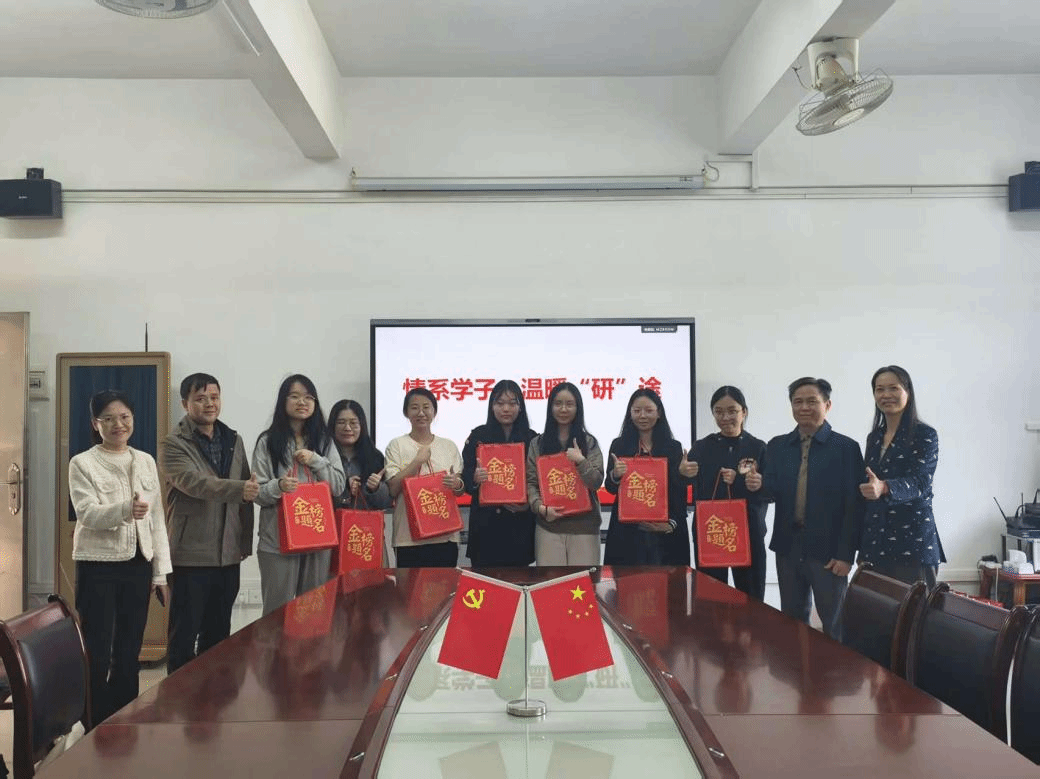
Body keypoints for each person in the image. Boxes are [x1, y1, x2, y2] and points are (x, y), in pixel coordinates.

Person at [68, 389, 172, 724]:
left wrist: (160, 573)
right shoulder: (82, 463)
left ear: (133, 419)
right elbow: (87, 514)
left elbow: (157, 521)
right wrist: (126, 510)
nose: (118, 424)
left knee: (129, 650)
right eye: (109, 419)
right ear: (95, 424)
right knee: (97, 651)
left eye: (124, 417)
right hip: (97, 564)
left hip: (137, 565)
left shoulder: (145, 460)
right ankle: (93, 723)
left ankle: (124, 721)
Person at [746, 377, 863, 640]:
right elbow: (771, 491)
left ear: (827, 405)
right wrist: (758, 485)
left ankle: (835, 668)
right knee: (791, 622)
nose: (804, 407)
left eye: (812, 401)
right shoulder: (778, 445)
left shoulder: (846, 448)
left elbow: (854, 506)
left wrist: (846, 555)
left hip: (829, 552)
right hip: (788, 547)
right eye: (798, 402)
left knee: (835, 624)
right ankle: (797, 668)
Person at [159, 373, 256, 674]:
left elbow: (246, 492)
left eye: (214, 397)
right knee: (183, 636)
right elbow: (195, 483)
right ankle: (178, 698)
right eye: (200, 399)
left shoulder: (233, 439)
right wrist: (240, 489)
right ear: (185, 403)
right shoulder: (172, 444)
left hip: (228, 554)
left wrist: (243, 543)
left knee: (219, 636)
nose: (209, 404)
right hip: (190, 554)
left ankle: (213, 696)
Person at [252, 374, 345, 615]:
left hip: (317, 538)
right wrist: (279, 486)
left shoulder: (324, 441)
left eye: (308, 397)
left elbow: (338, 486)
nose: (302, 402)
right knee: (276, 614)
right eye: (294, 396)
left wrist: (316, 460)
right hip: (277, 542)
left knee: (313, 613)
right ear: (283, 401)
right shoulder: (268, 441)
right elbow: (257, 493)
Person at [858, 365, 943, 589]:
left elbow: (920, 482)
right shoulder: (874, 437)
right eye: (879, 389)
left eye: (893, 388)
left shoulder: (925, 434)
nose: (886, 395)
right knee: (874, 609)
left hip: (913, 543)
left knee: (916, 610)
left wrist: (884, 487)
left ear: (908, 392)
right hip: (875, 543)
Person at [685, 386, 768, 598]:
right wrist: (683, 473)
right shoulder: (702, 447)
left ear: (744, 412)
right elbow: (685, 484)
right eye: (719, 412)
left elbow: (771, 492)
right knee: (711, 597)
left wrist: (748, 483)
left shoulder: (758, 447)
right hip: (712, 532)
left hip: (748, 533)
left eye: (732, 411)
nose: (725, 417)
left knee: (751, 598)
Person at [603, 388, 689, 566]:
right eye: (637, 411)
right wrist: (615, 475)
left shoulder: (673, 447)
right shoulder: (619, 445)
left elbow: (678, 493)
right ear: (630, 413)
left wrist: (670, 524)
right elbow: (610, 488)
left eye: (649, 410)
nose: (642, 415)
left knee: (664, 582)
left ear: (659, 413)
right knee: (626, 581)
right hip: (626, 533)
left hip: (662, 533)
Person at [525, 381, 604, 566]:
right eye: (558, 403)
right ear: (550, 407)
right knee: (551, 582)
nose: (563, 409)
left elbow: (596, 482)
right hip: (548, 527)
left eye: (569, 404)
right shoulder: (538, 444)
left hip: (584, 528)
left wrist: (581, 461)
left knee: (583, 582)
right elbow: (531, 483)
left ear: (578, 408)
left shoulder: (589, 442)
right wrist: (540, 508)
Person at [385, 387, 464, 567]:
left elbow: (460, 489)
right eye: (414, 407)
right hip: (408, 538)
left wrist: (457, 484)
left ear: (434, 412)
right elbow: (393, 489)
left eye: (426, 407)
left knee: (446, 584)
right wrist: (416, 462)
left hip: (445, 535)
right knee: (409, 585)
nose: (421, 413)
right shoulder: (396, 445)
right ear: (406, 412)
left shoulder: (448, 446)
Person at [461, 380, 538, 567]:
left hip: (519, 526)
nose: (506, 409)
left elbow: (539, 480)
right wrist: (474, 478)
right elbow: (465, 475)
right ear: (492, 406)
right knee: (484, 582)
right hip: (486, 527)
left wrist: (528, 504)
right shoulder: (478, 436)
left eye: (512, 403)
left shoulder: (532, 438)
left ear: (520, 407)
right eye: (500, 403)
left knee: (520, 580)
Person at [327, 399, 392, 512]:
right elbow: (316, 496)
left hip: (364, 522)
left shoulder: (375, 457)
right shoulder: (324, 455)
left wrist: (376, 488)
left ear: (362, 426)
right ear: (333, 426)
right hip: (330, 520)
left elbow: (386, 503)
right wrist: (345, 487)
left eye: (353, 423)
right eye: (341, 422)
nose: (347, 428)